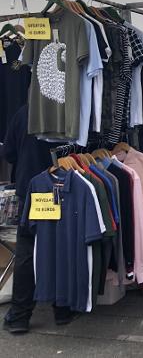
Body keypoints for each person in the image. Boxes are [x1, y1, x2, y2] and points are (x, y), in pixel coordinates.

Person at [2, 105, 77, 333]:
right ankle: (62, 308)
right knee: (58, 247)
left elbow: (9, 154)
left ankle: (20, 315)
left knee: (28, 251)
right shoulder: (67, 112)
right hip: (59, 188)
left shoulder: (22, 113)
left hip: (31, 188)